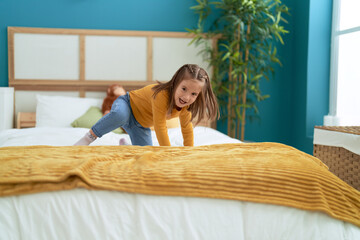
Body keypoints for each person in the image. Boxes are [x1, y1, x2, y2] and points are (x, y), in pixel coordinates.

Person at [74, 64, 219, 146]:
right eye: (184, 89)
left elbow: (187, 131)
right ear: (175, 84)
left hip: (140, 125)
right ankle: (89, 137)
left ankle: (125, 146)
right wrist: (167, 153)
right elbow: (160, 127)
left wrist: (188, 154)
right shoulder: (162, 95)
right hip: (128, 105)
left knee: (147, 154)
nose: (186, 97)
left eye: (194, 94)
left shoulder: (186, 108)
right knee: (120, 114)